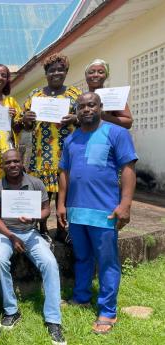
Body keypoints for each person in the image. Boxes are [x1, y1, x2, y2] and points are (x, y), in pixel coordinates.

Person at [57, 92, 137, 335]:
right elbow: (64, 173)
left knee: (107, 262)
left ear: (100, 107)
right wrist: (61, 204)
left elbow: (128, 168)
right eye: (81, 106)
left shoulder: (117, 133)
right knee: (82, 258)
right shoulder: (71, 139)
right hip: (77, 211)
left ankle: (107, 310)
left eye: (91, 105)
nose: (86, 109)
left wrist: (125, 204)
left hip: (104, 212)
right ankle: (81, 297)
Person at [0, 149, 66, 345]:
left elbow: (46, 209)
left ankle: (53, 320)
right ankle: (11, 310)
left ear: (22, 162)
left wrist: (35, 217)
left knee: (50, 263)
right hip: (5, 233)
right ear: (3, 166)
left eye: (16, 161)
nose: (13, 165)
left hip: (30, 232)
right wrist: (11, 236)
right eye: (8, 163)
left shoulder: (35, 183)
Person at [15, 53, 82, 238]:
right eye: (52, 70)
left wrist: (75, 118)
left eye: (61, 69)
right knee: (41, 197)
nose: (56, 73)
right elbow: (23, 123)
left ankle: (63, 230)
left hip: (67, 154)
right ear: (46, 73)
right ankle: (41, 228)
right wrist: (26, 119)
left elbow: (86, 118)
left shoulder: (75, 95)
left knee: (67, 195)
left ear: (66, 72)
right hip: (41, 155)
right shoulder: (35, 95)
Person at [85, 58, 133, 129]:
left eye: (101, 72)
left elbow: (128, 122)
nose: (96, 75)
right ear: (86, 75)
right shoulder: (81, 98)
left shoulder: (113, 95)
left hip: (107, 137)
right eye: (91, 72)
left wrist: (103, 116)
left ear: (106, 76)